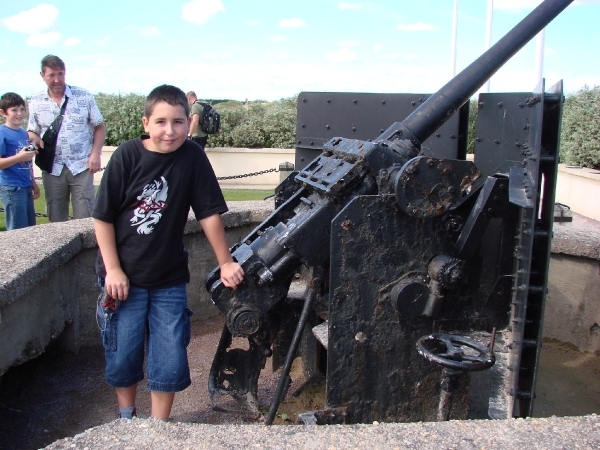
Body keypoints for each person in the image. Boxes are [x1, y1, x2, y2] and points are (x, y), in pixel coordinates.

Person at [92, 84, 244, 420]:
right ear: (146, 123)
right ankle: (127, 419)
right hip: (125, 278)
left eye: (177, 122)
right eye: (160, 122)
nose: (170, 130)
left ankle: (160, 429)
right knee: (124, 354)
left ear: (188, 122)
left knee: (168, 358)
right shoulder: (127, 156)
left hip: (168, 280)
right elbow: (102, 218)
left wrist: (225, 262)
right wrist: (114, 270)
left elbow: (208, 214)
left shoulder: (192, 157)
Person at [27, 55, 105, 222]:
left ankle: (88, 250)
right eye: (51, 75)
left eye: (60, 74)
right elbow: (32, 130)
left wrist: (95, 153)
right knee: (56, 220)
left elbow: (99, 126)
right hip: (52, 168)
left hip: (81, 166)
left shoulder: (83, 96)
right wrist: (34, 139)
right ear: (42, 75)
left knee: (85, 218)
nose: (57, 80)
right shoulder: (35, 102)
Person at [0, 92, 41, 230]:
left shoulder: (24, 133)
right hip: (12, 187)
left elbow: (27, 162)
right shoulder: (2, 133)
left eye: (22, 109)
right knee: (18, 232)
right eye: (14, 110)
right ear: (3, 113)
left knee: (30, 229)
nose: (19, 113)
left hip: (25, 186)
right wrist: (19, 157)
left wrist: (33, 183)